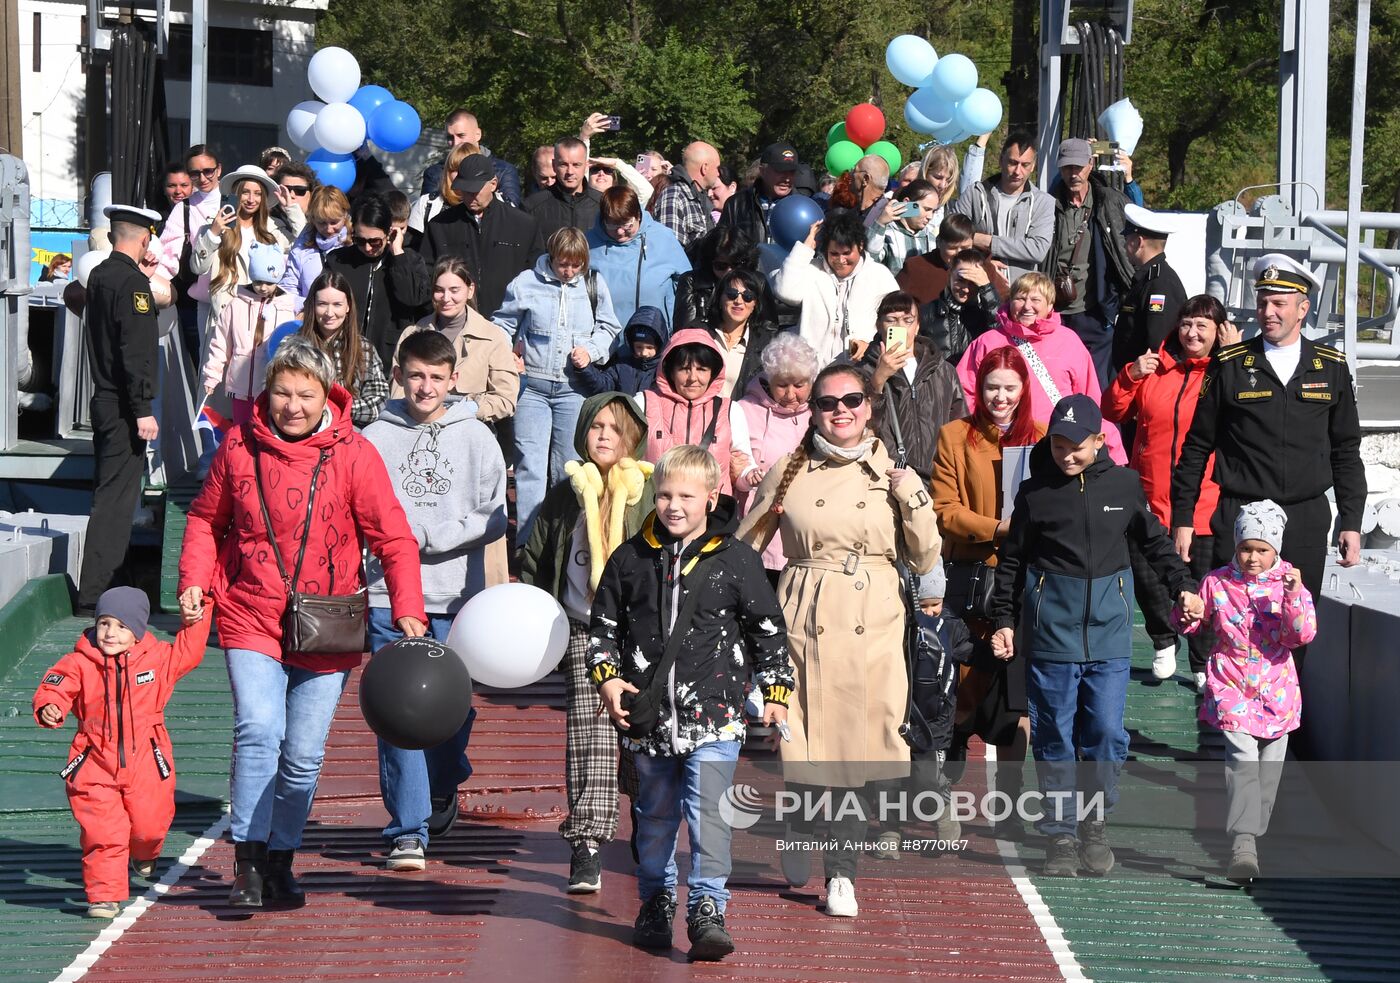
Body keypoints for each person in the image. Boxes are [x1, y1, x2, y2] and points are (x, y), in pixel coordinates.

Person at [178, 337, 426, 910]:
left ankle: (281, 858)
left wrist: (408, 608)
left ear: (326, 395)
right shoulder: (240, 447)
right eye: (282, 392)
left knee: (303, 756)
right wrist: (194, 580)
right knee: (259, 730)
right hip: (251, 609)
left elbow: (393, 538)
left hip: (327, 620)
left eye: (304, 394)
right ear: (267, 391)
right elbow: (204, 520)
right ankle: (246, 862)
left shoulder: (354, 454)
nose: (292, 405)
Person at [737, 362, 941, 918]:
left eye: (852, 399)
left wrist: (914, 496)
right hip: (804, 610)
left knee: (853, 752)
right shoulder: (791, 468)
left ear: (870, 406)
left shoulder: (893, 471)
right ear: (814, 411)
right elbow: (746, 546)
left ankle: (843, 874)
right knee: (803, 743)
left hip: (873, 618)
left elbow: (924, 557)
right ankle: (801, 827)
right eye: (828, 403)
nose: (841, 411)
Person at [592, 445, 792, 960]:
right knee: (654, 815)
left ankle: (708, 909)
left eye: (686, 495)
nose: (673, 505)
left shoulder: (736, 560)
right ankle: (656, 900)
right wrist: (609, 681)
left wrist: (776, 693)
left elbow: (767, 630)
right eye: (663, 495)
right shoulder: (630, 559)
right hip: (648, 717)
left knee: (710, 817)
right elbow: (604, 629)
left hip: (716, 715)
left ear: (711, 497)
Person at [989, 394, 1202, 878]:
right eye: (1059, 445)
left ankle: (1094, 823)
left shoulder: (1126, 485)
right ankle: (1060, 836)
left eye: (1077, 446)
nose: (1067, 455)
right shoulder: (1034, 492)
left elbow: (1155, 543)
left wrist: (1183, 586)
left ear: (1100, 441)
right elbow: (1013, 562)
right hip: (1051, 634)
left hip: (1109, 632)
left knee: (1105, 730)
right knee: (1054, 735)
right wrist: (1005, 618)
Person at [364, 329, 507, 873]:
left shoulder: (475, 437)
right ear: (400, 374)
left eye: (436, 377)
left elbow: (495, 514)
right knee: (399, 712)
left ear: (453, 380)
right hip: (388, 593)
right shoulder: (375, 435)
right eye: (416, 375)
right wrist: (394, 541)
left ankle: (444, 779)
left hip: (455, 595)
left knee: (446, 711)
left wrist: (431, 535)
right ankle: (408, 829)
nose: (425, 387)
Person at [1172, 253, 1365, 609]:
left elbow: (1346, 450)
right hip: (1241, 514)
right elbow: (1196, 447)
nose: (1268, 312)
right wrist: (1182, 518)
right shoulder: (1229, 365)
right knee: (1235, 626)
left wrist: (1351, 521)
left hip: (1304, 519)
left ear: (1303, 308)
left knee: (1296, 626)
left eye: (1279, 303)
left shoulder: (1331, 367)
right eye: (1262, 303)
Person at [519, 393, 655, 894]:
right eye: (595, 426)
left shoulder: (650, 489)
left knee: (643, 730)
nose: (603, 436)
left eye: (614, 428)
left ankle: (648, 824)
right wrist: (537, 613)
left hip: (642, 634)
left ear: (632, 437)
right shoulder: (566, 493)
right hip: (583, 626)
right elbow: (535, 558)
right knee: (591, 732)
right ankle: (588, 843)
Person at [33, 586, 212, 919]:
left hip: (147, 755)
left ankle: (145, 853)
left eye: (120, 626)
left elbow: (190, 651)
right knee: (103, 830)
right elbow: (55, 686)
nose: (110, 633)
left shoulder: (157, 659)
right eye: (104, 624)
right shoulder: (79, 661)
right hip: (94, 759)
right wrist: (50, 707)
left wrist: (195, 619)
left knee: (150, 825)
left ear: (138, 631)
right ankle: (104, 896)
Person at [931, 345, 1045, 820]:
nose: (1000, 397)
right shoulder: (954, 436)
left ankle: (1013, 802)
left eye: (1010, 388)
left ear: (1024, 390)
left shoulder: (1043, 438)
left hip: (1021, 580)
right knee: (959, 685)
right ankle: (943, 797)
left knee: (1015, 692)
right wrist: (998, 529)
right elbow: (944, 511)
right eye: (992, 387)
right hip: (968, 575)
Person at [1175, 500, 1316, 883]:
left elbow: (1299, 636)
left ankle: (1252, 833)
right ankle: (1243, 843)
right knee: (1241, 759)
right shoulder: (1217, 581)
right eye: (1246, 548)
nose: (1253, 557)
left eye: (1262, 550)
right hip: (1231, 681)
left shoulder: (1291, 583)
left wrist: (1292, 596)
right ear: (1236, 545)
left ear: (1276, 549)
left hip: (1277, 688)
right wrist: (1186, 609)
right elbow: (1192, 624)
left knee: (1267, 772)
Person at [1103, 295, 1233, 687]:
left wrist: (1235, 356)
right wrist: (1131, 374)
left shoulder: (1226, 372)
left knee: (1203, 579)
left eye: (1203, 326)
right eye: (1187, 324)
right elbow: (1113, 411)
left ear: (1219, 332)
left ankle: (1200, 657)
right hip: (1150, 493)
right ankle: (1163, 639)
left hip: (1204, 497)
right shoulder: (1156, 368)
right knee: (1148, 575)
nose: (1192, 333)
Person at [495, 227, 622, 543]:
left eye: (574, 265)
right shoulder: (526, 283)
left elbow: (609, 327)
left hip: (573, 389)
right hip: (533, 389)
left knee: (568, 469)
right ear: (551, 257)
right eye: (562, 264)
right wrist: (509, 357)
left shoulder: (593, 284)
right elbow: (502, 325)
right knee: (530, 469)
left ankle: (561, 544)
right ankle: (527, 544)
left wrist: (591, 351)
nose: (568, 271)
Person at [76, 205, 164, 612]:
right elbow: (136, 351)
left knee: (113, 496)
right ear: (144, 238)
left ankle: (113, 585)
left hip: (105, 399)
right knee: (115, 502)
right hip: (124, 405)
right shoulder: (133, 286)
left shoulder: (101, 275)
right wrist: (143, 406)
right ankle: (94, 595)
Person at [957, 271, 1126, 463]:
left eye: (1035, 299)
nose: (1027, 306)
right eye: (1020, 298)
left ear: (1050, 305)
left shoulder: (1069, 341)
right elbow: (964, 394)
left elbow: (1089, 399)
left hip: (1058, 446)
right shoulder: (987, 342)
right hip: (1001, 446)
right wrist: (982, 435)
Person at [1046, 138, 1134, 389]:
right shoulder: (1048, 205)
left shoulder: (1107, 200)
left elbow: (1138, 215)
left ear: (1091, 164)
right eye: (1067, 167)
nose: (1073, 173)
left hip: (1096, 310)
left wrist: (1130, 180)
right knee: (1055, 382)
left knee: (1096, 385)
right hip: (1056, 311)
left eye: (1079, 166)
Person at [389, 258, 518, 421]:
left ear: (470, 290)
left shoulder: (492, 337)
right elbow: (398, 390)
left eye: (454, 290)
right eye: (439, 290)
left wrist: (471, 409)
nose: (445, 298)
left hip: (470, 428)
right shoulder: (412, 334)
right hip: (416, 426)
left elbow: (505, 398)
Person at [730, 333, 816, 575]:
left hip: (803, 527)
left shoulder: (820, 415)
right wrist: (748, 476)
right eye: (782, 385)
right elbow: (737, 465)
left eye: (799, 385)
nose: (790, 395)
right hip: (757, 524)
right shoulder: (745, 410)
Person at [420, 154, 544, 319]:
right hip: (454, 322)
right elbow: (427, 275)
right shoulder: (440, 226)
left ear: (493, 184)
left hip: (509, 322)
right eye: (465, 190)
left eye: (476, 190)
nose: (471, 196)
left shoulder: (524, 225)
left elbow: (537, 278)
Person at [773, 210, 900, 367]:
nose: (841, 260)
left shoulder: (879, 275)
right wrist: (806, 248)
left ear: (860, 246)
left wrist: (869, 345)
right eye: (834, 253)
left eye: (847, 253)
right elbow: (786, 291)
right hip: (813, 372)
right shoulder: (812, 271)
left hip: (860, 372)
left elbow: (898, 323)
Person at [865, 291, 965, 484]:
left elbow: (959, 423)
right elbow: (862, 425)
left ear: (918, 326)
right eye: (891, 320)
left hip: (938, 478)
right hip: (887, 477)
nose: (900, 326)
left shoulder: (943, 370)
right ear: (879, 326)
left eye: (907, 320)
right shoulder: (864, 371)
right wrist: (879, 378)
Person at [324, 195, 431, 369]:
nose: (367, 248)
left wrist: (397, 253)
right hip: (344, 353)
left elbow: (412, 299)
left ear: (389, 233)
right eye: (360, 240)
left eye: (374, 241)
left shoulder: (410, 260)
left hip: (391, 355)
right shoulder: (339, 260)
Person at [203, 242, 301, 426]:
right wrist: (212, 375)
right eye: (258, 281)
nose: (263, 287)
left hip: (271, 385)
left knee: (265, 430)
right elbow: (220, 343)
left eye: (269, 282)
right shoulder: (236, 304)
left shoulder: (286, 308)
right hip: (240, 385)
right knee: (241, 429)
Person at [190, 164, 292, 340]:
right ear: (236, 194)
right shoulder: (213, 228)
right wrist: (213, 234)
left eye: (258, 193)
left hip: (260, 317)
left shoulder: (275, 230)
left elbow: (304, 246)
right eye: (245, 192)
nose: (251, 199)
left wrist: (291, 210)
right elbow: (197, 268)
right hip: (223, 316)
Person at [638, 328, 744, 494]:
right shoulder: (643, 403)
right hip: (655, 510)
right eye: (684, 368)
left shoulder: (731, 410)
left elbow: (743, 472)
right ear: (670, 371)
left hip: (711, 513)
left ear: (713, 372)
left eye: (702, 369)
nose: (693, 378)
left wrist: (749, 475)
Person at [950, 129, 1056, 283]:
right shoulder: (975, 193)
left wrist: (986, 241)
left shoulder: (1043, 202)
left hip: (1020, 293)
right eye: (1013, 163)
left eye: (1025, 165)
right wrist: (984, 264)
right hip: (976, 287)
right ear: (1001, 160)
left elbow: (1037, 250)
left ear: (1033, 166)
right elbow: (952, 236)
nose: (1018, 171)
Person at [585, 185, 692, 331]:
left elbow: (687, 285)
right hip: (602, 344)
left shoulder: (663, 237)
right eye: (612, 225)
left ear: (638, 215)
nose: (620, 231)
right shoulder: (588, 244)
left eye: (627, 225)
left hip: (655, 343)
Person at [298, 270, 390, 428]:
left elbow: (379, 401)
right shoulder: (294, 346)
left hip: (349, 433)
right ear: (313, 305)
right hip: (304, 432)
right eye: (322, 304)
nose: (329, 313)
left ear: (348, 306)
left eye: (337, 305)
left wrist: (335, 407)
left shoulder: (364, 348)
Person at [157, 145, 223, 345]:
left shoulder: (238, 199)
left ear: (218, 169)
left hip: (239, 296)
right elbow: (167, 254)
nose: (202, 178)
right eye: (195, 173)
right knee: (205, 366)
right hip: (202, 298)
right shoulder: (183, 208)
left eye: (208, 171)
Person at [1111, 203, 1187, 374]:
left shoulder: (1160, 283)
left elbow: (1157, 343)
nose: (1124, 246)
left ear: (1138, 242)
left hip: (1145, 381)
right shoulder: (1147, 278)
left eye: (1127, 240)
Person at [419, 108, 523, 207]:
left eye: (461, 135)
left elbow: (510, 213)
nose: (456, 143)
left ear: (478, 134)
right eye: (450, 138)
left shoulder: (503, 171)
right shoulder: (435, 173)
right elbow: (429, 214)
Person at [705, 268, 781, 399]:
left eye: (748, 296)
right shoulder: (698, 333)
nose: (739, 301)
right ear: (720, 298)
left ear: (755, 304)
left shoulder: (767, 346)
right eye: (732, 293)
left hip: (740, 416)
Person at [919, 247, 1000, 364]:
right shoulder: (926, 313)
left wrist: (987, 289)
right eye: (960, 280)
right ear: (949, 275)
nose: (966, 289)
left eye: (973, 282)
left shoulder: (985, 314)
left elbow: (1000, 333)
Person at [673, 225, 758, 328]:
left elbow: (768, 327)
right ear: (709, 262)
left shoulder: (757, 282)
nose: (729, 271)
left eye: (736, 265)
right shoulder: (692, 282)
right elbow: (684, 331)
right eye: (721, 266)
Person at [718, 142, 802, 246]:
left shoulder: (804, 209)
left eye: (792, 172)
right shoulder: (736, 204)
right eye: (781, 171)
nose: (787, 179)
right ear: (763, 171)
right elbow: (720, 246)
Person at [524, 137, 602, 242]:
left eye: (576, 165)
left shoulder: (603, 204)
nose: (570, 171)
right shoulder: (532, 206)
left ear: (586, 166)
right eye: (563, 165)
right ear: (554, 165)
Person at [576, 306, 665, 397]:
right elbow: (603, 386)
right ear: (631, 344)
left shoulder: (664, 369)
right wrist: (585, 367)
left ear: (659, 346)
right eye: (638, 347)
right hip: (623, 410)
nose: (644, 352)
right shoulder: (621, 364)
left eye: (649, 348)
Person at [281, 186, 350, 300]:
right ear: (313, 219)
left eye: (334, 222)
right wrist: (303, 310)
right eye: (322, 223)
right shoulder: (301, 246)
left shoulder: (356, 243)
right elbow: (290, 286)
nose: (329, 229)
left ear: (345, 216)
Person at [896, 213, 977, 305]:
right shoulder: (915, 268)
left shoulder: (982, 269)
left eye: (965, 248)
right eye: (952, 248)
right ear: (938, 242)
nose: (959, 254)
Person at [408, 142, 481, 242]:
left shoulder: (490, 205)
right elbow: (412, 249)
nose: (460, 175)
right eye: (455, 169)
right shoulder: (427, 204)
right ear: (448, 172)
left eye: (465, 169)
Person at [652, 142, 721, 249]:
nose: (718, 173)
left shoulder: (701, 199)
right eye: (717, 168)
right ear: (705, 168)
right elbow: (670, 250)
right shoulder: (674, 196)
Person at [866, 179, 942, 276]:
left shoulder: (931, 239)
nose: (930, 216)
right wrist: (880, 223)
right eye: (926, 209)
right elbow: (869, 262)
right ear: (907, 203)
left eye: (933, 211)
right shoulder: (887, 233)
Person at [269, 162, 314, 244]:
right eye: (286, 190)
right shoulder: (268, 226)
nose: (291, 195)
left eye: (300, 190)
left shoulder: (323, 225)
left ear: (311, 194)